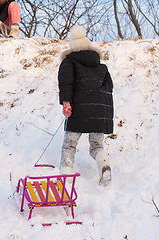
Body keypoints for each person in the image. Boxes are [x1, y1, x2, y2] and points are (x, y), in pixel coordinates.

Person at [58, 25, 114, 187]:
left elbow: (66, 82)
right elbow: (109, 88)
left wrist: (66, 102)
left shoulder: (69, 62)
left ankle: (66, 181)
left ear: (73, 48)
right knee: (96, 145)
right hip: (99, 110)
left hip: (78, 109)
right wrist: (103, 109)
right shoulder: (101, 66)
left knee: (69, 145)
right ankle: (104, 166)